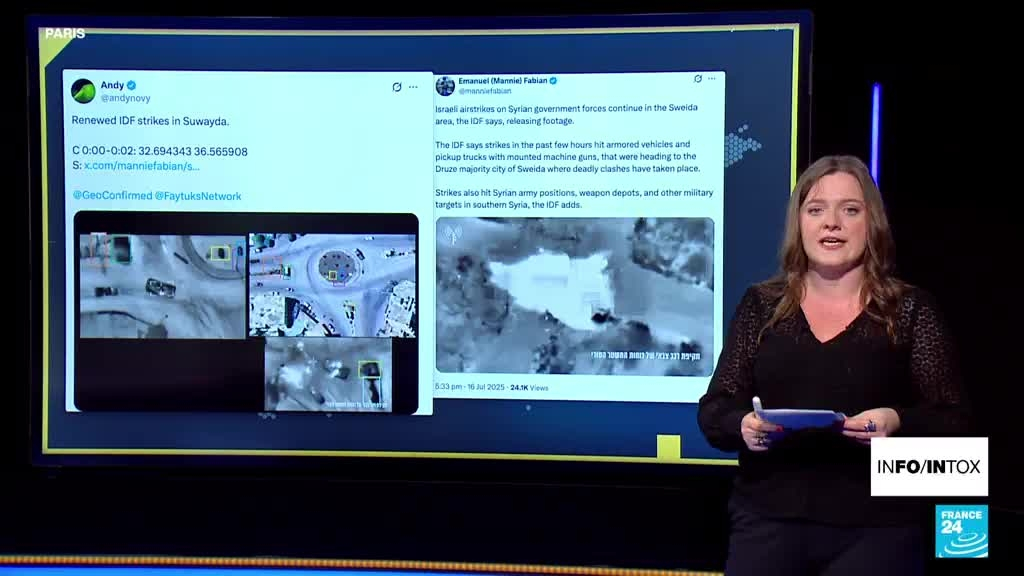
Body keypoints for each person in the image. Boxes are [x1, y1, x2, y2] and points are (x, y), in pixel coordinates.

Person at [697, 155, 970, 576]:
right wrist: (744, 426)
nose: (832, 223)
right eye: (816, 209)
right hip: (767, 522)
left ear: (872, 223)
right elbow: (714, 410)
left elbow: (955, 423)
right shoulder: (761, 306)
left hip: (881, 528)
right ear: (799, 223)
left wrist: (896, 421)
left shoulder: (910, 309)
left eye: (850, 210)